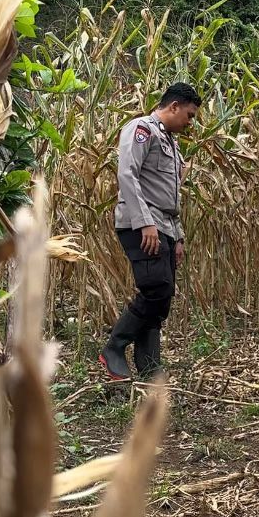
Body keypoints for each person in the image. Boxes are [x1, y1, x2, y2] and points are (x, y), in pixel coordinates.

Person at [99, 82, 202, 380]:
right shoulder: (140, 129)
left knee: (163, 296)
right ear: (173, 107)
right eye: (189, 115)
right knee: (157, 288)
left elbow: (172, 194)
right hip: (140, 224)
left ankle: (149, 365)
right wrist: (145, 223)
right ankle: (114, 348)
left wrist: (178, 235)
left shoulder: (171, 141)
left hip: (165, 226)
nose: (190, 122)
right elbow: (127, 174)